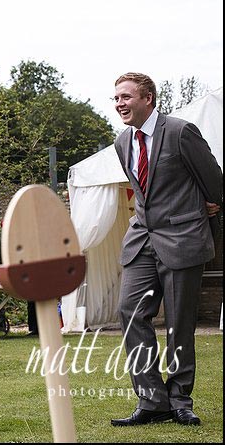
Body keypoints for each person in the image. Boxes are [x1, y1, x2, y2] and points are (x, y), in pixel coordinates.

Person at [110, 73, 222, 427]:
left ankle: (180, 400)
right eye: (116, 98)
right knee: (130, 311)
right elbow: (142, 192)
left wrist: (206, 205)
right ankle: (152, 400)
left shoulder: (180, 132)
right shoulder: (121, 142)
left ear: (148, 99)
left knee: (180, 323)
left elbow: (214, 184)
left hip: (182, 240)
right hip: (141, 240)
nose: (119, 104)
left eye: (126, 96)